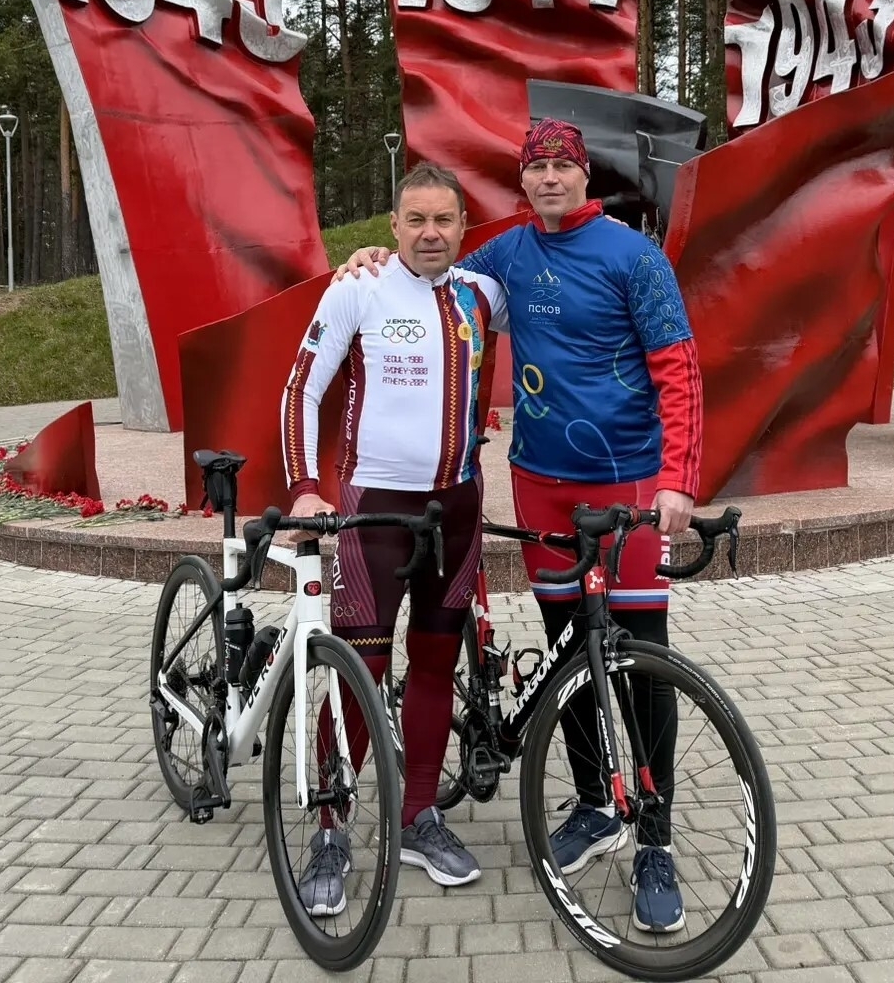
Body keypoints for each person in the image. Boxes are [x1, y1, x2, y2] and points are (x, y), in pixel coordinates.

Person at [341, 119, 702, 934]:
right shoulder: (505, 254)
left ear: (585, 175)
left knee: (644, 660)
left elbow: (679, 370)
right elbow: (428, 269)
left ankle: (654, 837)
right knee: (570, 650)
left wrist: (678, 481)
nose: (548, 179)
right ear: (524, 181)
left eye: (562, 166)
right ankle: (593, 804)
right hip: (539, 485)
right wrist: (371, 259)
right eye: (535, 167)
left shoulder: (634, 256)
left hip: (628, 485)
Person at [280, 161, 507, 916]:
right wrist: (304, 486)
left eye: (444, 219)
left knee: (437, 663)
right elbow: (301, 389)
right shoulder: (360, 286)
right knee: (362, 670)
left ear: (464, 226)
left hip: (457, 508)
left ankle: (417, 818)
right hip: (374, 510)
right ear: (393, 226)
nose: (430, 233)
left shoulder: (484, 293)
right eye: (416, 220)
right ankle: (330, 829)